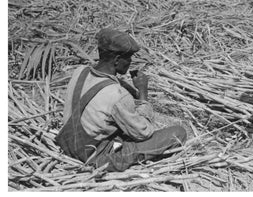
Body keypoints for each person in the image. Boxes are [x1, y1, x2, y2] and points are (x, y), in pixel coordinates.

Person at [55, 28, 187, 171]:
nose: (130, 62)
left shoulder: (80, 71)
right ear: (117, 60)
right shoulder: (117, 95)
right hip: (95, 157)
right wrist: (143, 93)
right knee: (178, 133)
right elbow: (144, 132)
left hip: (68, 144)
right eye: (128, 58)